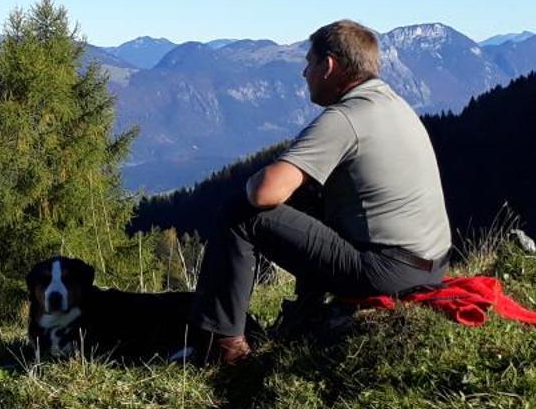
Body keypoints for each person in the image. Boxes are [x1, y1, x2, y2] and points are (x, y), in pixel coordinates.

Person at [186, 20, 452, 363]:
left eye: (309, 63)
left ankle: (221, 350)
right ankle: (305, 314)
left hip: (386, 272)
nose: (304, 73)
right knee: (309, 197)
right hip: (430, 267)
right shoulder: (392, 103)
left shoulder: (346, 118)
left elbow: (263, 194)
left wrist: (252, 180)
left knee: (241, 213)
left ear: (329, 66)